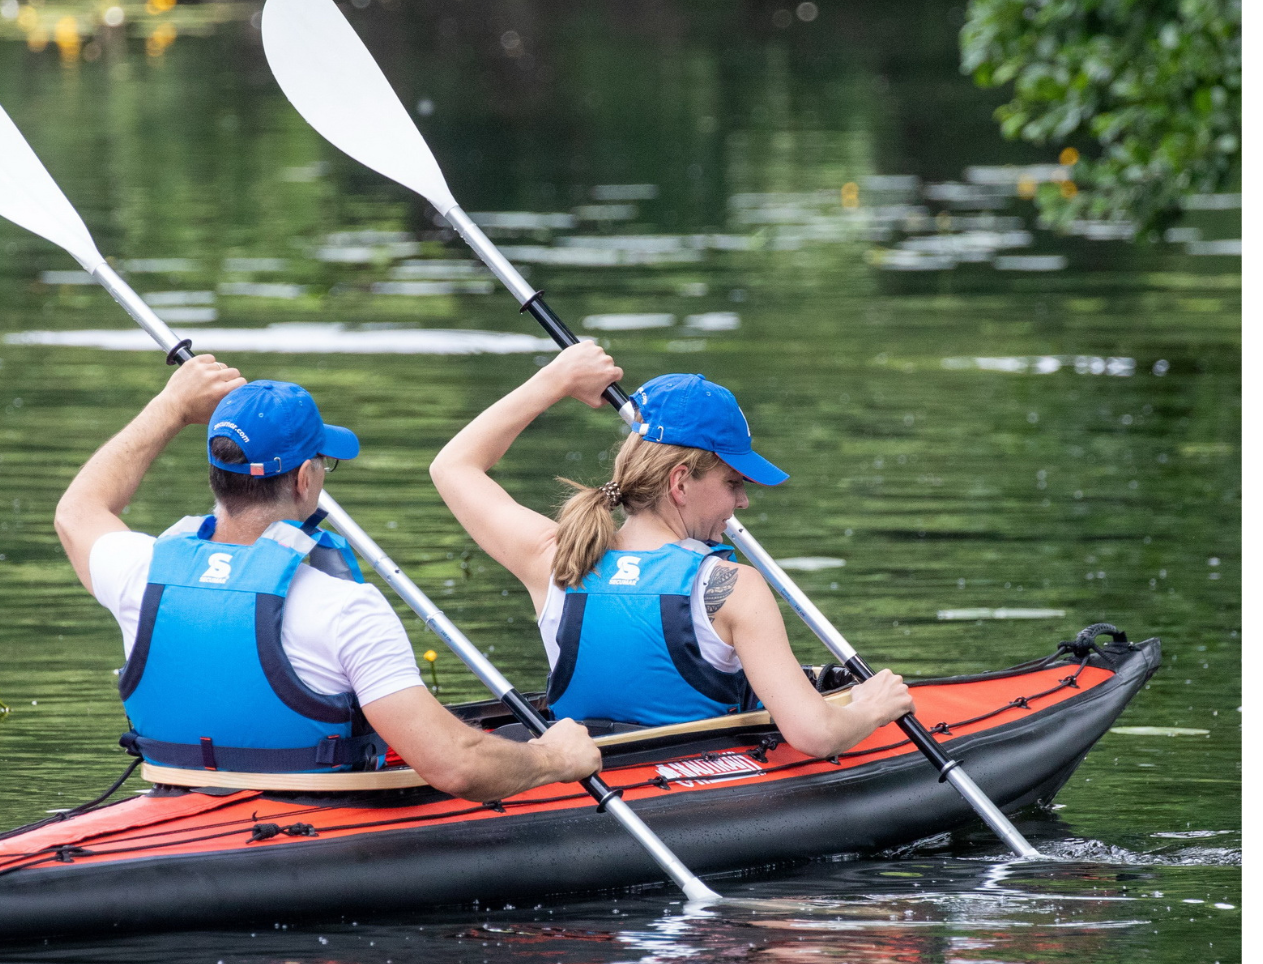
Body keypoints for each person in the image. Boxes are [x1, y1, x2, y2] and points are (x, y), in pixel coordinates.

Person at [54, 354, 601, 800]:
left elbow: (77, 512)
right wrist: (551, 758)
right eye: (323, 462)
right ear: (304, 479)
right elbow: (454, 767)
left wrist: (171, 406)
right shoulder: (344, 608)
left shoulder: (141, 572)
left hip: (178, 801)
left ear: (216, 475)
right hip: (309, 823)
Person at [429, 341, 915, 755]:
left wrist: (555, 380)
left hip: (586, 782)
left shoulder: (558, 559)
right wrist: (870, 706)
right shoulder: (732, 587)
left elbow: (453, 467)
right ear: (680, 482)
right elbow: (814, 734)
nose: (742, 501)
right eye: (733, 482)